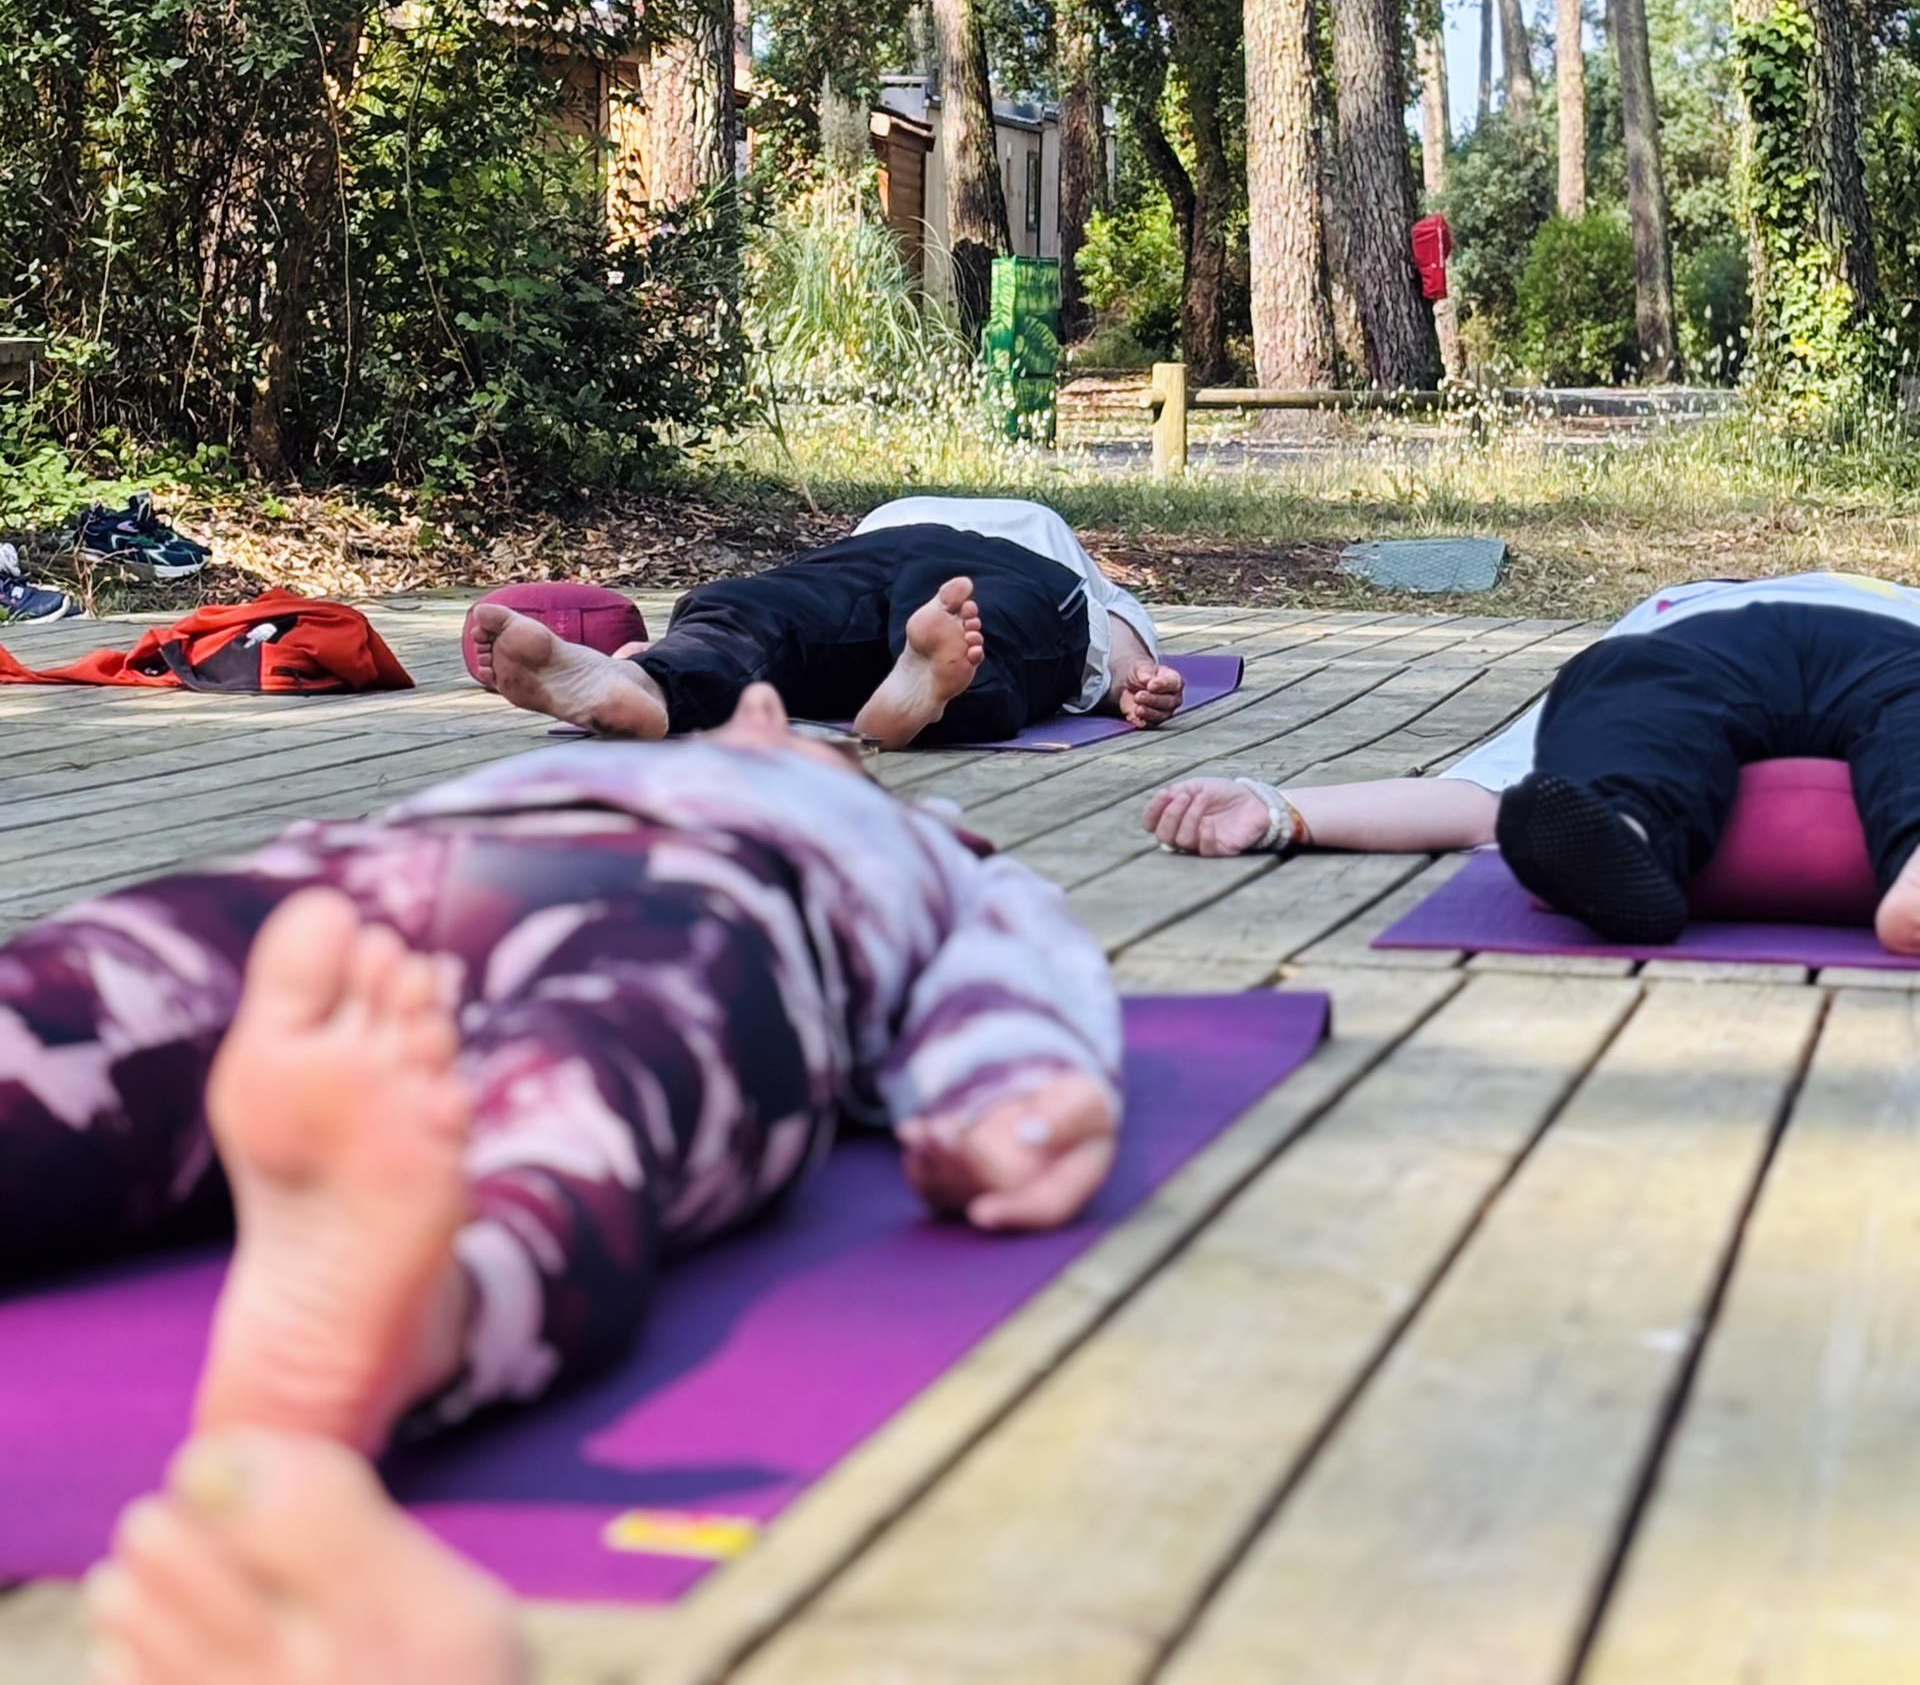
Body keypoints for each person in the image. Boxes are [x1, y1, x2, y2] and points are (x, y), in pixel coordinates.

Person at [0, 689, 1123, 1682]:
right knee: (71, 995)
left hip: (693, 889)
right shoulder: (599, 761)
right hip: (379, 872)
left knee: (599, 1066)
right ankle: (442, 1288)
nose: (771, 715)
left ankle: (424, 1302)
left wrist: (1013, 1096)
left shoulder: (937, 842)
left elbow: (1015, 965)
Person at [1141, 572, 1920, 953]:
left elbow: (1481, 798)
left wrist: (1283, 810)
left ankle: (1628, 827)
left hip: (1699, 645)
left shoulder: (1666, 612)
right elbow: (1489, 799)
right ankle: (1621, 844)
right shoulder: (1669, 610)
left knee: (1630, 705)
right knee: (1627, 703)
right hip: (1832, 644)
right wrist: (1279, 809)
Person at [469, 494, 1185, 749]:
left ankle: (653, 678)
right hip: (940, 562)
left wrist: (1135, 678)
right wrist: (1133, 675)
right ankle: (643, 683)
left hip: (882, 554)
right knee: (972, 630)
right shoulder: (1044, 527)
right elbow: (1115, 621)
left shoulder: (1030, 526)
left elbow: (1120, 629)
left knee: (755, 615)